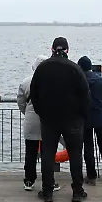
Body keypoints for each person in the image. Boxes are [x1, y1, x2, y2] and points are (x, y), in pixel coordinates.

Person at [30, 37, 90, 202]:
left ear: (52, 49)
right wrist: (83, 117)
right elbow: (85, 95)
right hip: (73, 119)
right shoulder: (75, 68)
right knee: (75, 155)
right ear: (67, 50)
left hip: (49, 119)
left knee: (48, 154)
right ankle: (77, 191)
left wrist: (41, 112)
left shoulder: (42, 68)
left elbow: (34, 94)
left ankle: (47, 191)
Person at [18, 55, 63, 192]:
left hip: (31, 120)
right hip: (48, 121)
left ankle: (29, 180)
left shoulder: (26, 82)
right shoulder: (54, 82)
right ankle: (49, 181)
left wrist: (27, 112)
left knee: (30, 153)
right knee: (48, 154)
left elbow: (20, 102)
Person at [77, 56, 102, 185]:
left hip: (85, 117)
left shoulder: (79, 81)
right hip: (100, 117)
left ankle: (91, 175)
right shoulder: (99, 80)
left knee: (88, 146)